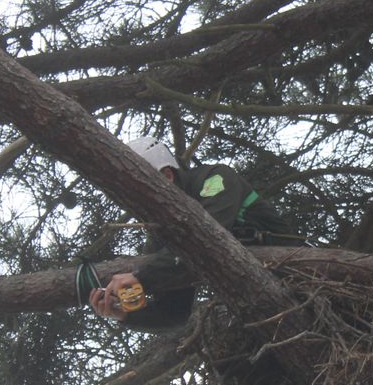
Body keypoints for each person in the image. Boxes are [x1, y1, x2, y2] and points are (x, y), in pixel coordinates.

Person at [88, 136, 300, 329]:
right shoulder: (162, 238)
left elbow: (210, 238)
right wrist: (126, 316)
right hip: (262, 313)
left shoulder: (215, 178)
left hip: (299, 277)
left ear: (167, 175)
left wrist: (140, 276)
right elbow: (173, 313)